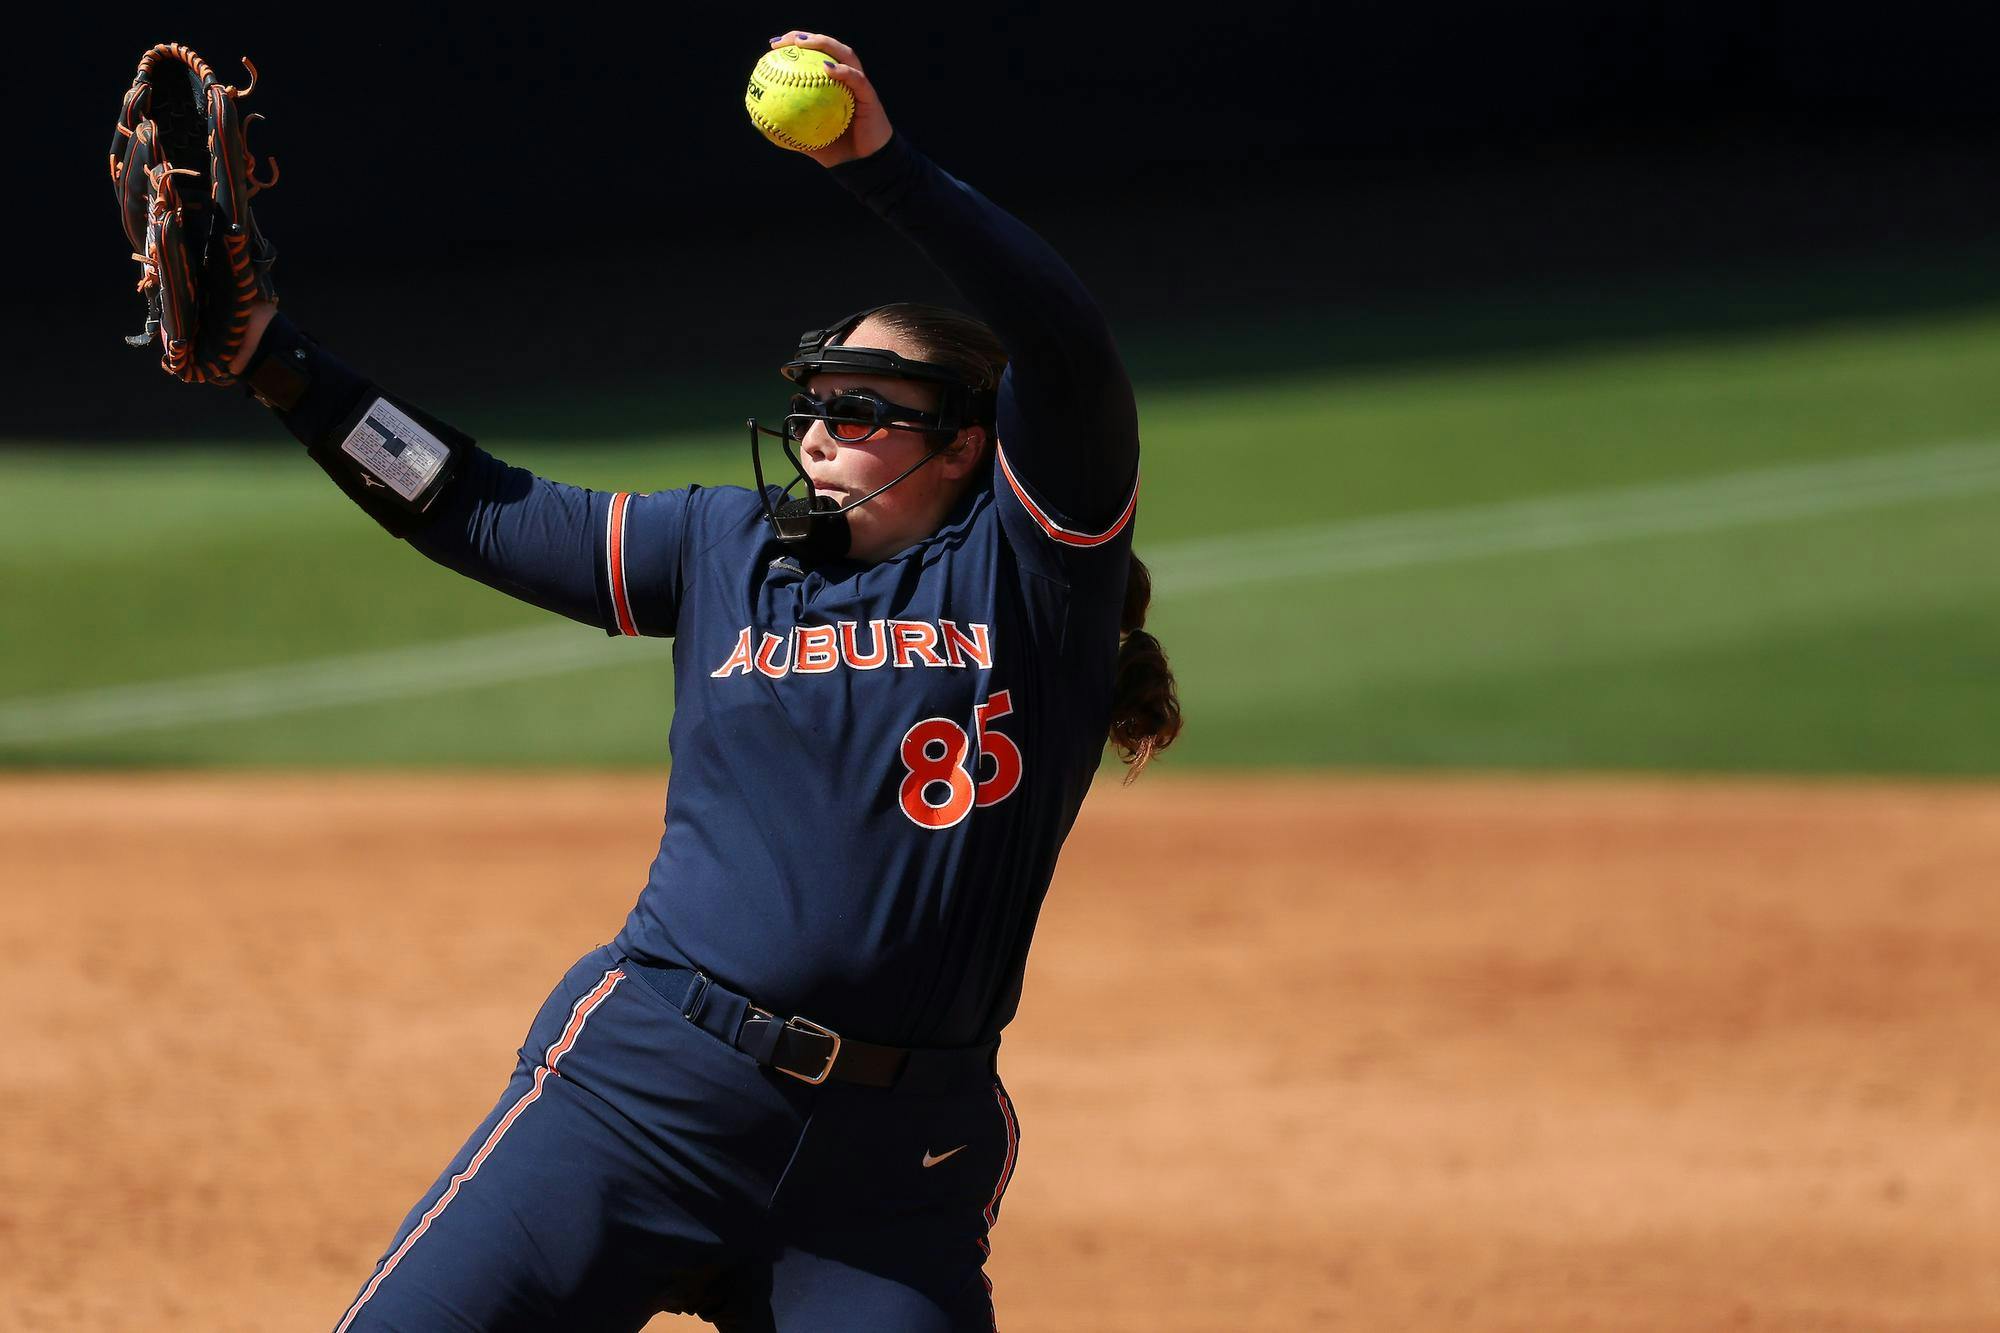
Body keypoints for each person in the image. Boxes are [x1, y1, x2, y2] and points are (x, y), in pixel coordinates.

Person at [219, 31, 1179, 1331]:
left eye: (865, 406)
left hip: (892, 1175)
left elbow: (1064, 344)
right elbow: (470, 503)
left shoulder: (1031, 579)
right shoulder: (727, 551)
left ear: (967, 444)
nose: (822, 431)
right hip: (646, 1090)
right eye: (813, 404)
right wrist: (282, 365)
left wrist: (879, 164)